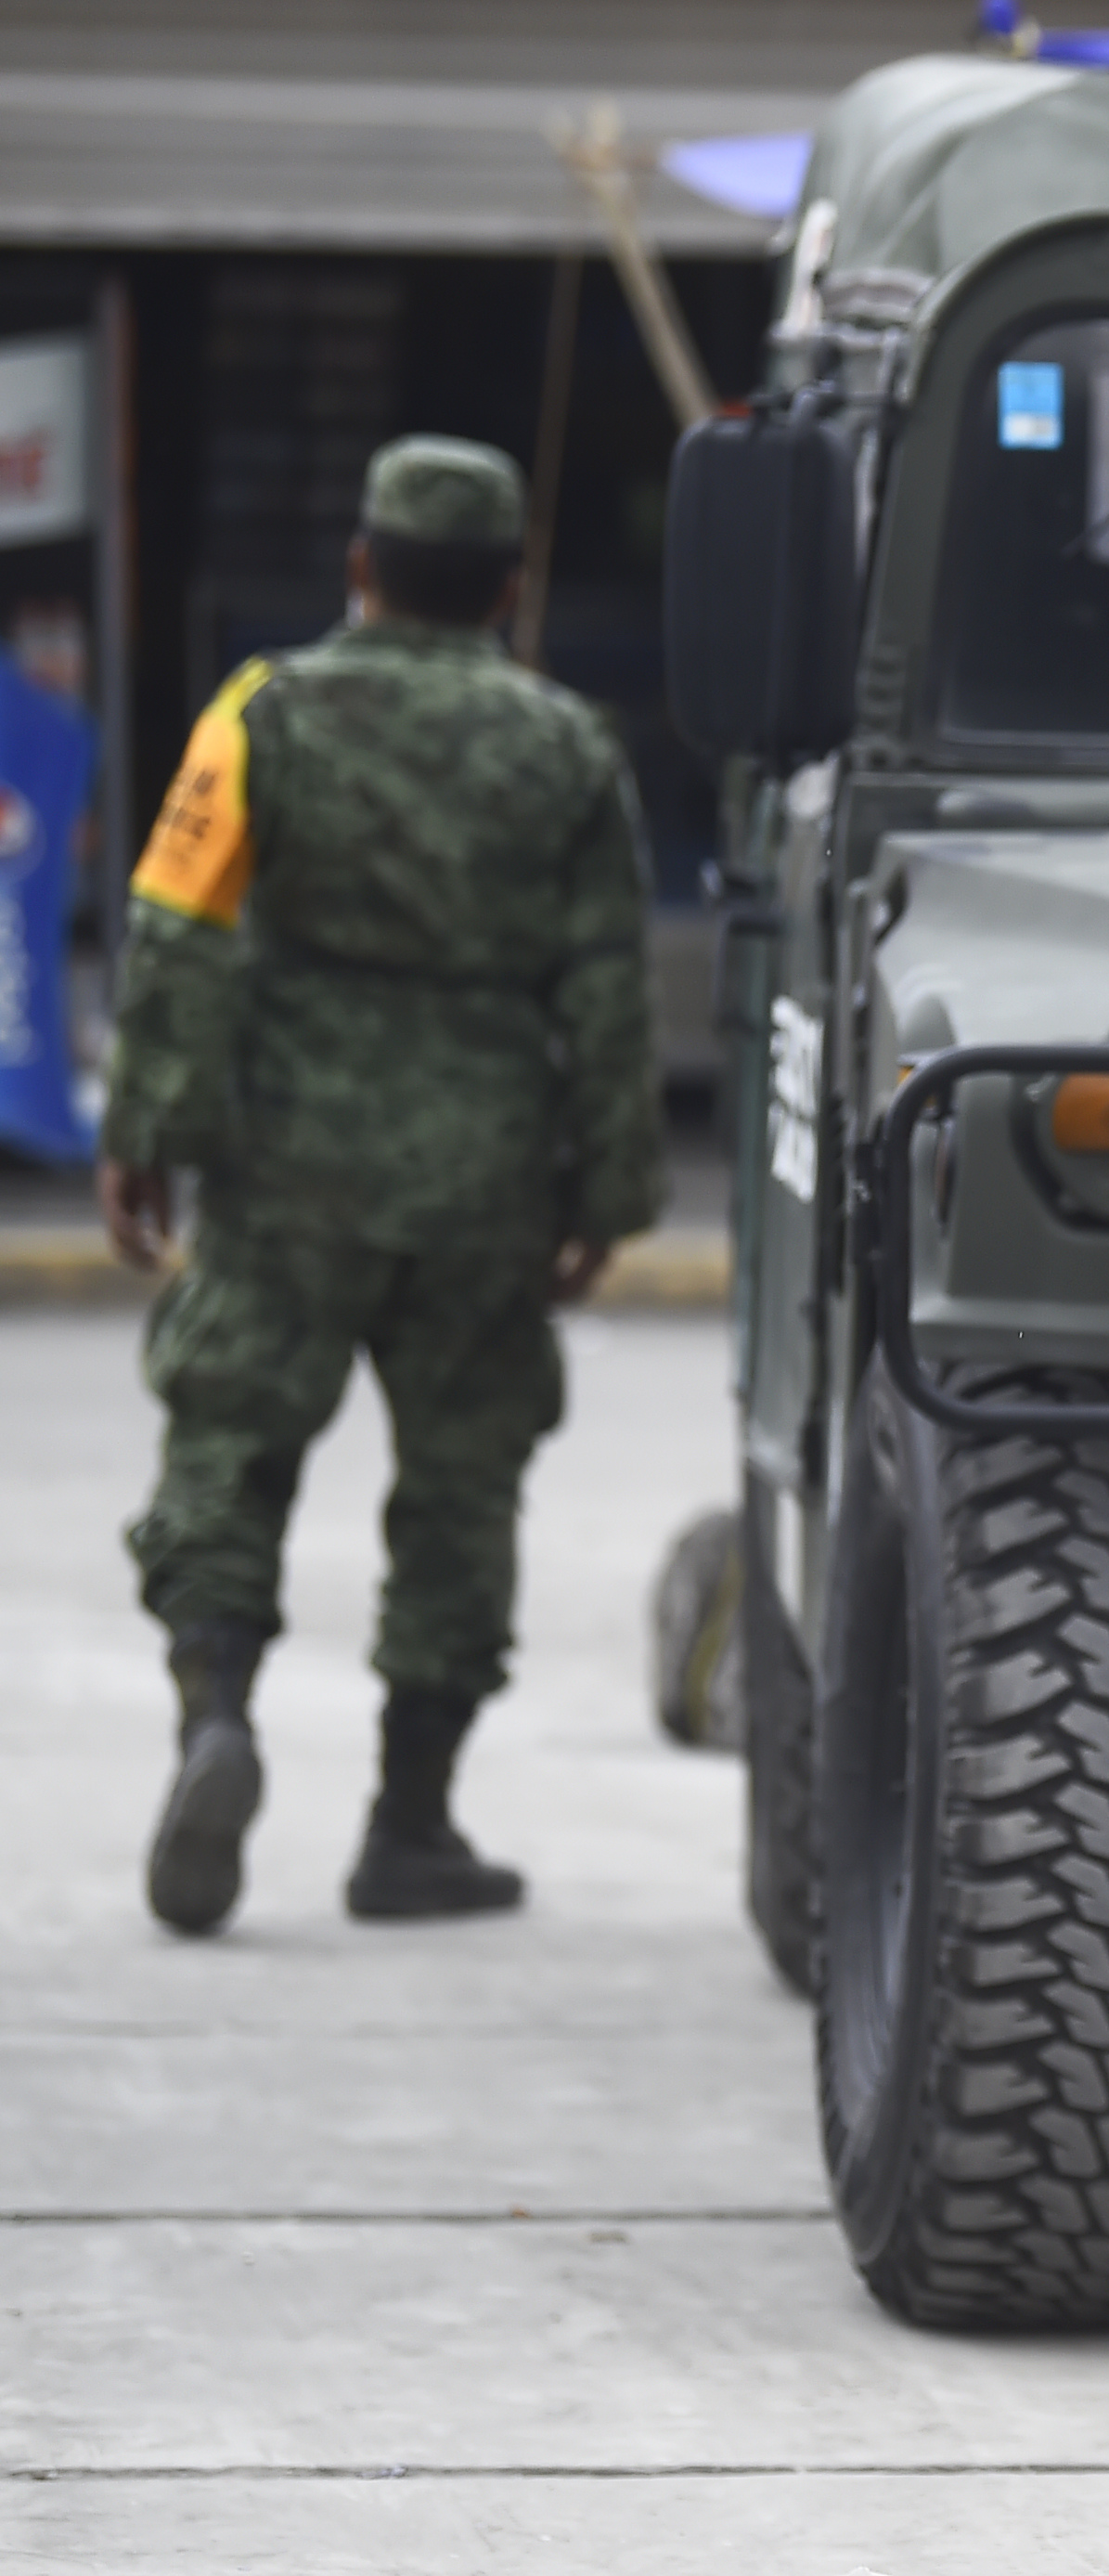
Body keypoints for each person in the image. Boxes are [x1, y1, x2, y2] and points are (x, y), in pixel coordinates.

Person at [100, 434, 664, 1935]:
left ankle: (216, 1707)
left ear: (360, 567)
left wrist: (149, 1127)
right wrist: (605, 1192)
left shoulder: (261, 713)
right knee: (462, 1493)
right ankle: (410, 1827)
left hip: (288, 1160)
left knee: (231, 1442)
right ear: (509, 586)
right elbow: (608, 989)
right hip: (487, 1169)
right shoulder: (566, 745)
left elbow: (180, 925)